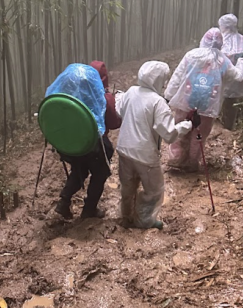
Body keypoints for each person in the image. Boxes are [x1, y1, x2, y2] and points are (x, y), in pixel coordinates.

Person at [115, 61, 192, 230]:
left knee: (127, 185)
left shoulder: (131, 92)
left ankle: (126, 216)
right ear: (158, 80)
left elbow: (119, 109)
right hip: (145, 155)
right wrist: (187, 125)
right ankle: (144, 220)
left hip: (124, 149)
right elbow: (169, 134)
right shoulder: (158, 102)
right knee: (154, 190)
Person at [165, 28, 243, 171]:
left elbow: (177, 76)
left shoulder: (191, 55)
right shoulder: (222, 60)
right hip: (208, 105)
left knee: (179, 129)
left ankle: (176, 158)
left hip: (186, 100)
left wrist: (168, 96)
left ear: (203, 40)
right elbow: (237, 75)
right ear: (220, 43)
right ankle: (192, 162)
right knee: (199, 134)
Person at [55, 60, 121, 220]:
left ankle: (64, 200)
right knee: (100, 173)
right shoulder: (103, 98)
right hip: (94, 146)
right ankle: (89, 209)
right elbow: (114, 123)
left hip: (72, 145)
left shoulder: (69, 96)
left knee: (79, 170)